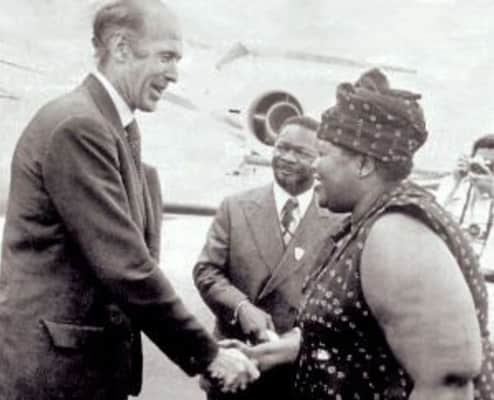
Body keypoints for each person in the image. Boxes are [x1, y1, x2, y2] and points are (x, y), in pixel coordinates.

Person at [0, 1, 258, 399]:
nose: (174, 74)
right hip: (58, 376)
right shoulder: (79, 126)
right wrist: (207, 354)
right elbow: (125, 265)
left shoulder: (108, 126)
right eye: (166, 57)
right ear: (121, 49)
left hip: (82, 368)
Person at [219, 69, 494, 400]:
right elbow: (341, 333)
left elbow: (448, 382)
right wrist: (261, 355)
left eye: (323, 154)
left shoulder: (397, 234)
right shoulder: (368, 222)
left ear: (364, 164)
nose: (314, 166)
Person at [193, 116, 342, 399]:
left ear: (319, 160)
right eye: (282, 147)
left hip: (301, 372)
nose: (287, 158)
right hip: (240, 366)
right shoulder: (235, 207)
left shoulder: (339, 220)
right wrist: (241, 307)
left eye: (301, 152)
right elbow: (207, 271)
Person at [435, 135, 494, 274]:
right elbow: (430, 218)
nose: (486, 170)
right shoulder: (454, 185)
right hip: (449, 269)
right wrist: (454, 181)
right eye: (482, 163)